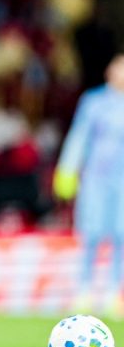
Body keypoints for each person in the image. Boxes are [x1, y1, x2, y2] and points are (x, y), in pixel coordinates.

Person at [54, 54, 124, 318]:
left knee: (121, 236)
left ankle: (114, 292)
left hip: (122, 181)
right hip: (95, 178)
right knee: (91, 234)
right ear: (110, 71)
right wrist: (67, 170)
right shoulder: (94, 102)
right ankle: (83, 291)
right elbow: (78, 137)